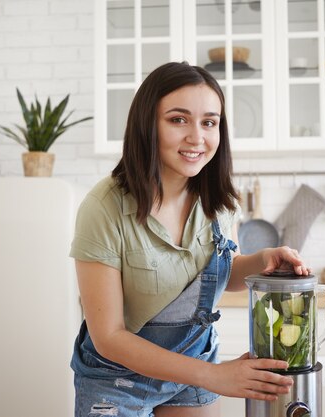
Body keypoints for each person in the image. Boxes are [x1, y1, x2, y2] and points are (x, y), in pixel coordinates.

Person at [70, 61, 311, 417]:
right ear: (147, 124)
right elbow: (109, 338)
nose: (197, 137)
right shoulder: (104, 206)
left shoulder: (220, 202)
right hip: (116, 379)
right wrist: (214, 376)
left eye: (209, 122)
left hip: (193, 365)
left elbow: (219, 275)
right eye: (178, 119)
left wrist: (263, 261)